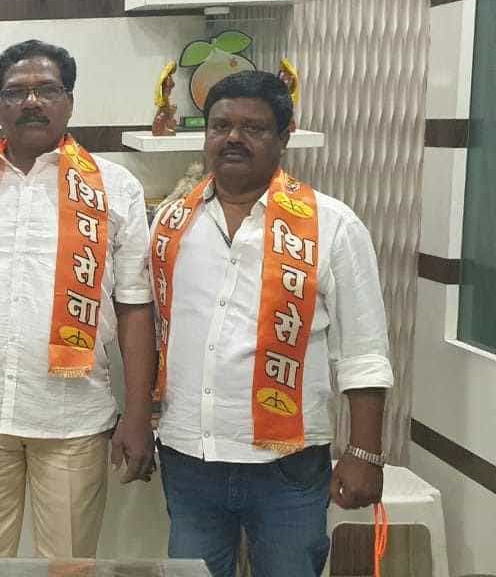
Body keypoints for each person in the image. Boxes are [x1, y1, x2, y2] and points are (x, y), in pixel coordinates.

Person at [0, 39, 157, 558]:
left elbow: (135, 308)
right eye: (16, 92)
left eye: (47, 90)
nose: (31, 102)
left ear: (69, 100)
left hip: (73, 418)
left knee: (67, 565)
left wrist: (137, 414)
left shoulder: (116, 188)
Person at [151, 70, 392, 577]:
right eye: (221, 126)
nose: (233, 138)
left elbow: (364, 350)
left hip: (288, 463)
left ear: (284, 137)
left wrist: (365, 452)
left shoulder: (331, 224)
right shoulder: (172, 223)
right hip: (191, 455)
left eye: (254, 128)